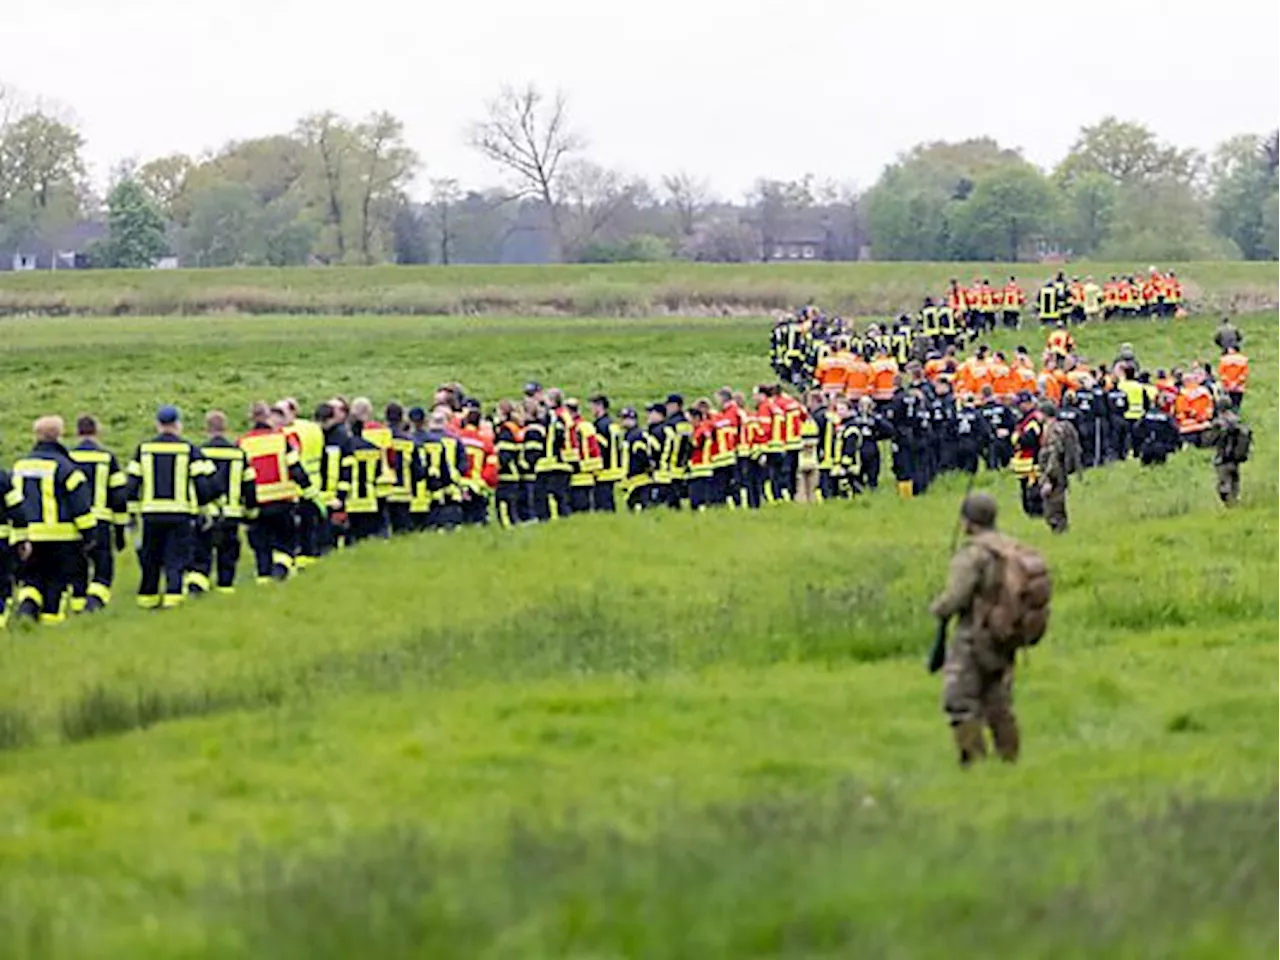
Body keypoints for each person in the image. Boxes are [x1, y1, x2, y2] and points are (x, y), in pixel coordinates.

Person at [929, 493, 1022, 767]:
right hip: (1004, 635)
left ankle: (974, 762)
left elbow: (956, 598)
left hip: (974, 636)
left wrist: (938, 608)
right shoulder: (1009, 548)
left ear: (969, 521)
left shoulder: (973, 555)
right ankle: (1010, 759)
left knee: (960, 701)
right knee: (998, 701)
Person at [127, 406, 220, 609]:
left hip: (151, 514)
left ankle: (147, 600)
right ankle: (173, 597)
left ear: (158, 425)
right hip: (180, 514)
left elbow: (131, 485)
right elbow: (203, 486)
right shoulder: (189, 450)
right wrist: (204, 509)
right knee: (175, 558)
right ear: (178, 424)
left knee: (151, 558)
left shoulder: (143, 450)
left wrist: (132, 514)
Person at [10, 416, 96, 624]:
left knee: (30, 579)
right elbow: (80, 506)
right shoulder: (66, 468)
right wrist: (89, 534)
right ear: (60, 435)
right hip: (61, 537)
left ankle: (27, 610)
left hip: (28, 535)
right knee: (55, 582)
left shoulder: (18, 467)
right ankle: (51, 623)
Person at [239, 402, 311, 581]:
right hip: (283, 500)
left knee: (262, 547)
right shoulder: (281, 438)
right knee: (285, 542)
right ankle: (281, 566)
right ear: (268, 416)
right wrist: (307, 488)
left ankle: (264, 579)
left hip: (258, 503)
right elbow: (295, 466)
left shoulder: (243, 443)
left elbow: (241, 476)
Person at [190, 410, 257, 595]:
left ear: (206, 429)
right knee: (227, 554)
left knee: (201, 553)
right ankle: (225, 588)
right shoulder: (238, 454)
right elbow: (249, 484)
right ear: (226, 428)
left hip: (206, 513)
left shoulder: (200, 452)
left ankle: (198, 585)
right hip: (232, 513)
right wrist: (250, 511)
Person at [67, 415, 127, 613]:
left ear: (77, 432)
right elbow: (119, 497)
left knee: (77, 567)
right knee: (103, 568)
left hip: (74, 523)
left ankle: (77, 606)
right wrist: (120, 531)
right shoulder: (107, 458)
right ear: (97, 431)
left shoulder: (67, 458)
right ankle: (94, 603)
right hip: (100, 521)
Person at [1037, 401, 1080, 534]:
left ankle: (1060, 530)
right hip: (1056, 471)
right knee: (1054, 502)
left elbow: (1054, 455)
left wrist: (1049, 478)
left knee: (1054, 504)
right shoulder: (1052, 428)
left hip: (1055, 473)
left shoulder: (1053, 430)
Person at [1204, 410, 1251, 507]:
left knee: (1223, 486)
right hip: (1235, 460)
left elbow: (1210, 440)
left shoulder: (1218, 423)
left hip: (1223, 459)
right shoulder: (1238, 421)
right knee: (1234, 483)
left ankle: (1230, 506)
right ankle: (1235, 504)